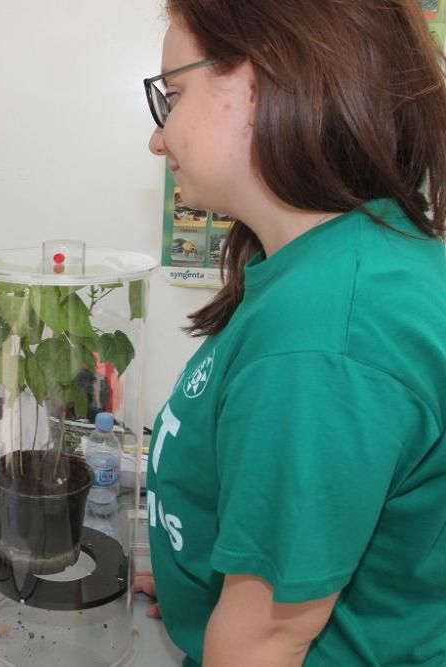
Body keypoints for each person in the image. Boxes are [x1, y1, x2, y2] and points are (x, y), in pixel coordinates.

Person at [138, 1, 446, 665]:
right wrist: (201, 577)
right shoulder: (338, 261)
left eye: (175, 94)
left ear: (263, 80)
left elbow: (269, 638)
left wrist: (243, 620)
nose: (158, 138)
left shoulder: (324, 333)